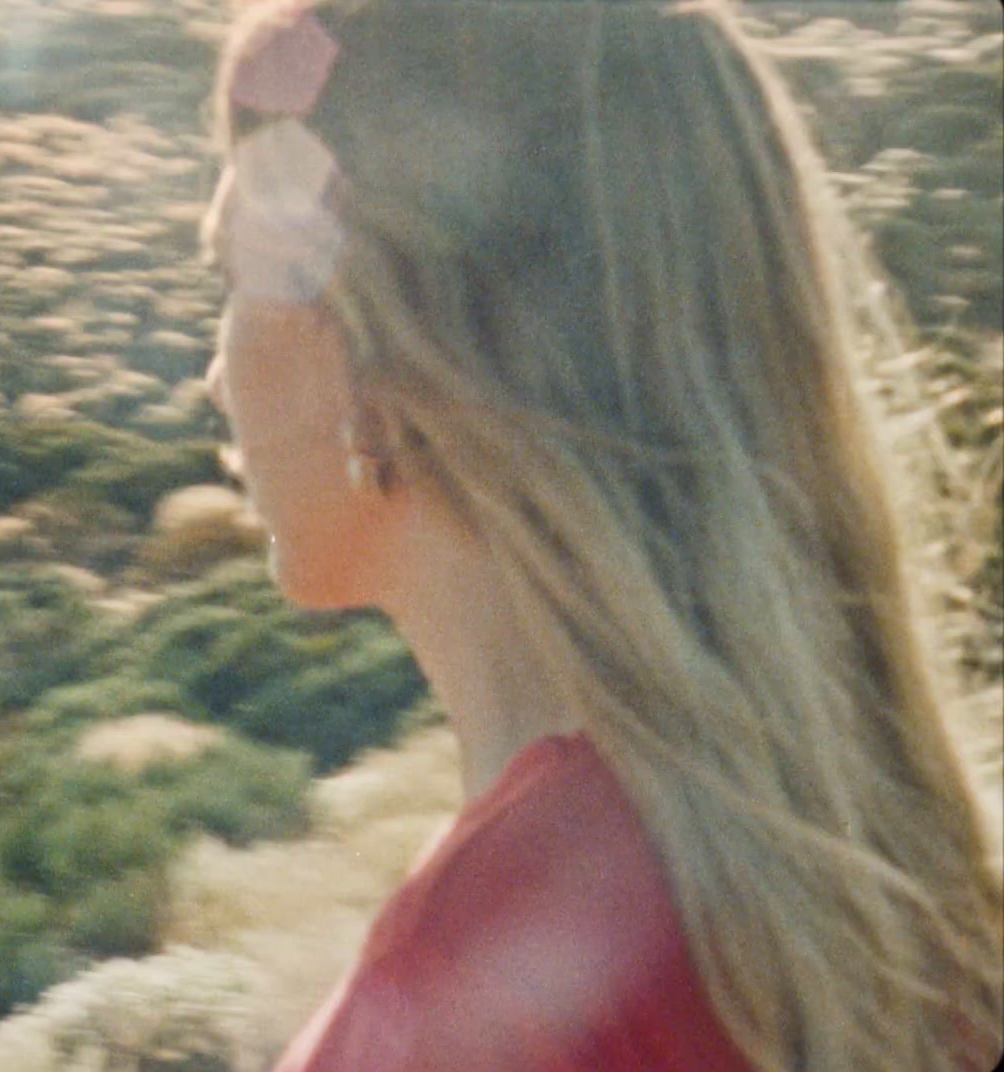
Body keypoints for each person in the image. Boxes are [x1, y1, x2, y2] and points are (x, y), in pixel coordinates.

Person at [199, 0, 1004, 1069]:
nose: (214, 375)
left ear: (375, 344)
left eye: (233, 277)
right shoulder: (874, 874)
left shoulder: (480, 973)